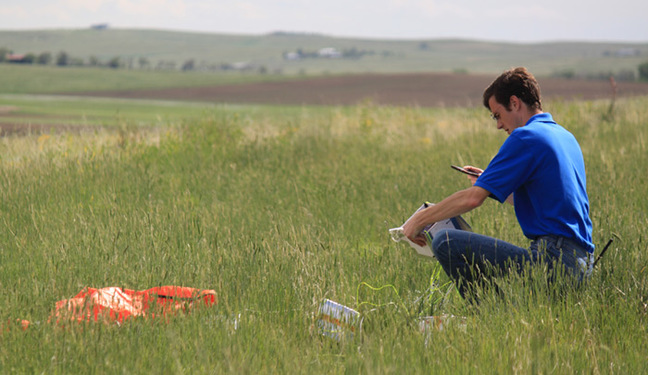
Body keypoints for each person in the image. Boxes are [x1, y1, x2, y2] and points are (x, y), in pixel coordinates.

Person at [402, 67, 594, 299]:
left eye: (497, 115)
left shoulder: (525, 137)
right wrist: (490, 182)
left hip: (553, 261)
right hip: (581, 265)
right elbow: (547, 201)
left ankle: (491, 314)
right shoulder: (564, 136)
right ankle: (504, 315)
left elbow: (473, 198)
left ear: (514, 103)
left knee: (445, 241)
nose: (498, 125)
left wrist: (420, 219)